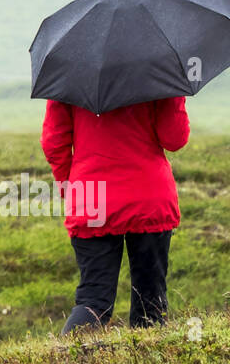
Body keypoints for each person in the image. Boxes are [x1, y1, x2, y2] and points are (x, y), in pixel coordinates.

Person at [41, 97, 190, 333]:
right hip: (149, 197)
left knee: (93, 300)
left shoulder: (70, 74)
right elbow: (174, 139)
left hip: (92, 198)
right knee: (150, 301)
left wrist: (70, 189)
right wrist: (175, 95)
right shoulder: (156, 70)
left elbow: (53, 142)